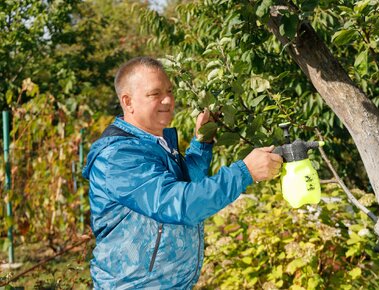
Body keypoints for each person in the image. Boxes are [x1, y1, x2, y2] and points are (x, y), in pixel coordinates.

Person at [82, 56, 283, 289]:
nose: (168, 100)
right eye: (155, 94)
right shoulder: (118, 157)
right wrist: (245, 171)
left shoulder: (154, 144)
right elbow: (180, 204)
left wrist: (201, 143)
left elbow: (187, 185)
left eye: (169, 91)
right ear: (128, 102)